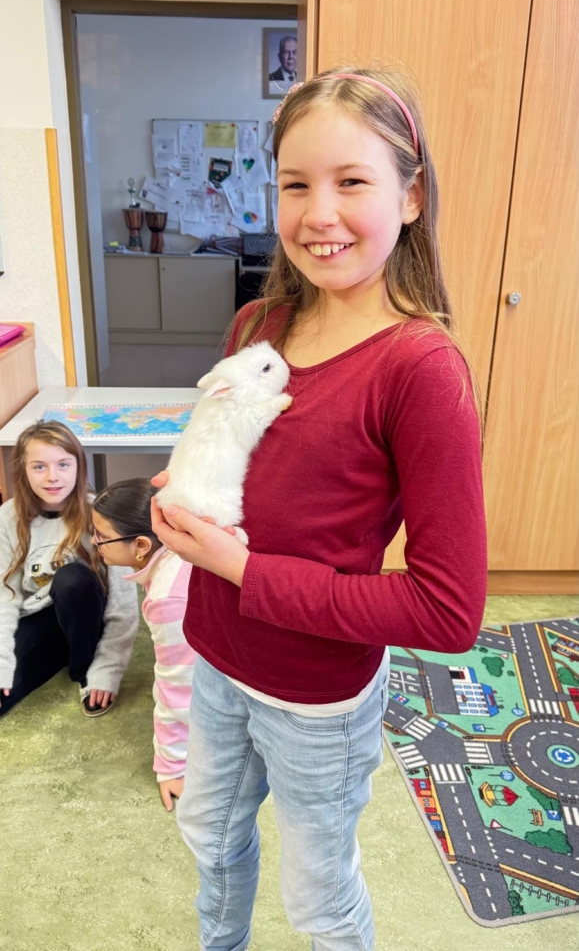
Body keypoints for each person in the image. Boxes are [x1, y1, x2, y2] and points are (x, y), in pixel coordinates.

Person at [151, 65, 488, 951]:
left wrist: (241, 568)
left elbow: (447, 611)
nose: (317, 213)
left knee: (319, 902)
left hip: (316, 701)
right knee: (209, 839)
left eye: (351, 182)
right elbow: (233, 455)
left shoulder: (420, 370)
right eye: (295, 184)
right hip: (214, 653)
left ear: (410, 197)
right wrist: (182, 496)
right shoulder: (256, 326)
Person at [0, 421, 138, 719]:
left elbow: (124, 604)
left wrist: (107, 669)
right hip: (37, 616)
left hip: (86, 611)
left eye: (63, 464)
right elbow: (4, 596)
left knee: (71, 578)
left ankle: (84, 665)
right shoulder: (7, 517)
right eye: (39, 467)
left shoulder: (100, 514)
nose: (53, 476)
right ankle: (61, 650)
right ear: (23, 470)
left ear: (78, 466)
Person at [91, 478, 195, 812]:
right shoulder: (178, 557)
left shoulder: (168, 598)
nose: (94, 542)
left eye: (101, 536)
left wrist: (171, 765)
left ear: (140, 545)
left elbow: (177, 686)